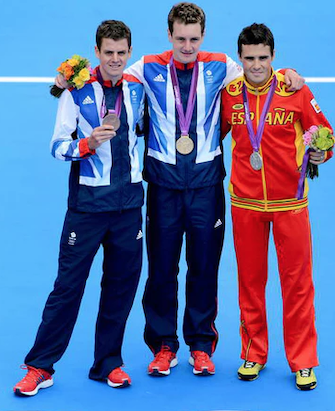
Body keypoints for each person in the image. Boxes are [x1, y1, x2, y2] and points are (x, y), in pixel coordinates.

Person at [54, 2, 305, 377]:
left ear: (203, 37)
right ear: (169, 35)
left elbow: (259, 73)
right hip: (163, 187)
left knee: (204, 267)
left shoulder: (221, 65)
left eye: (194, 39)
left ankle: (201, 345)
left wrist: (286, 73)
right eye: (181, 38)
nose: (187, 46)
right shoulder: (146, 68)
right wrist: (65, 82)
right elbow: (107, 73)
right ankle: (163, 345)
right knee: (161, 269)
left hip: (206, 186)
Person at [13, 20, 146, 395]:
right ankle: (40, 366)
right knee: (67, 288)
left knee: (120, 289)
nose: (115, 59)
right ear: (97, 52)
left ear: (130, 52)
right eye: (108, 52)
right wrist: (87, 144)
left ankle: (109, 363)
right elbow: (57, 146)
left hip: (129, 207)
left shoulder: (138, 89)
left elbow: (148, 130)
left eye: (121, 52)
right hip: (87, 208)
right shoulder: (76, 91)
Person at [220, 23, 335, 391]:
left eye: (263, 58)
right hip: (245, 203)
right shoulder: (229, 95)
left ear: (274, 57)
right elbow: (211, 136)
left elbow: (325, 134)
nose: (256, 65)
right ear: (240, 58)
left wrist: (321, 152)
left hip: (291, 204)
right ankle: (253, 352)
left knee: (298, 284)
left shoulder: (294, 90)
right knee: (250, 282)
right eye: (249, 58)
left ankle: (303, 361)